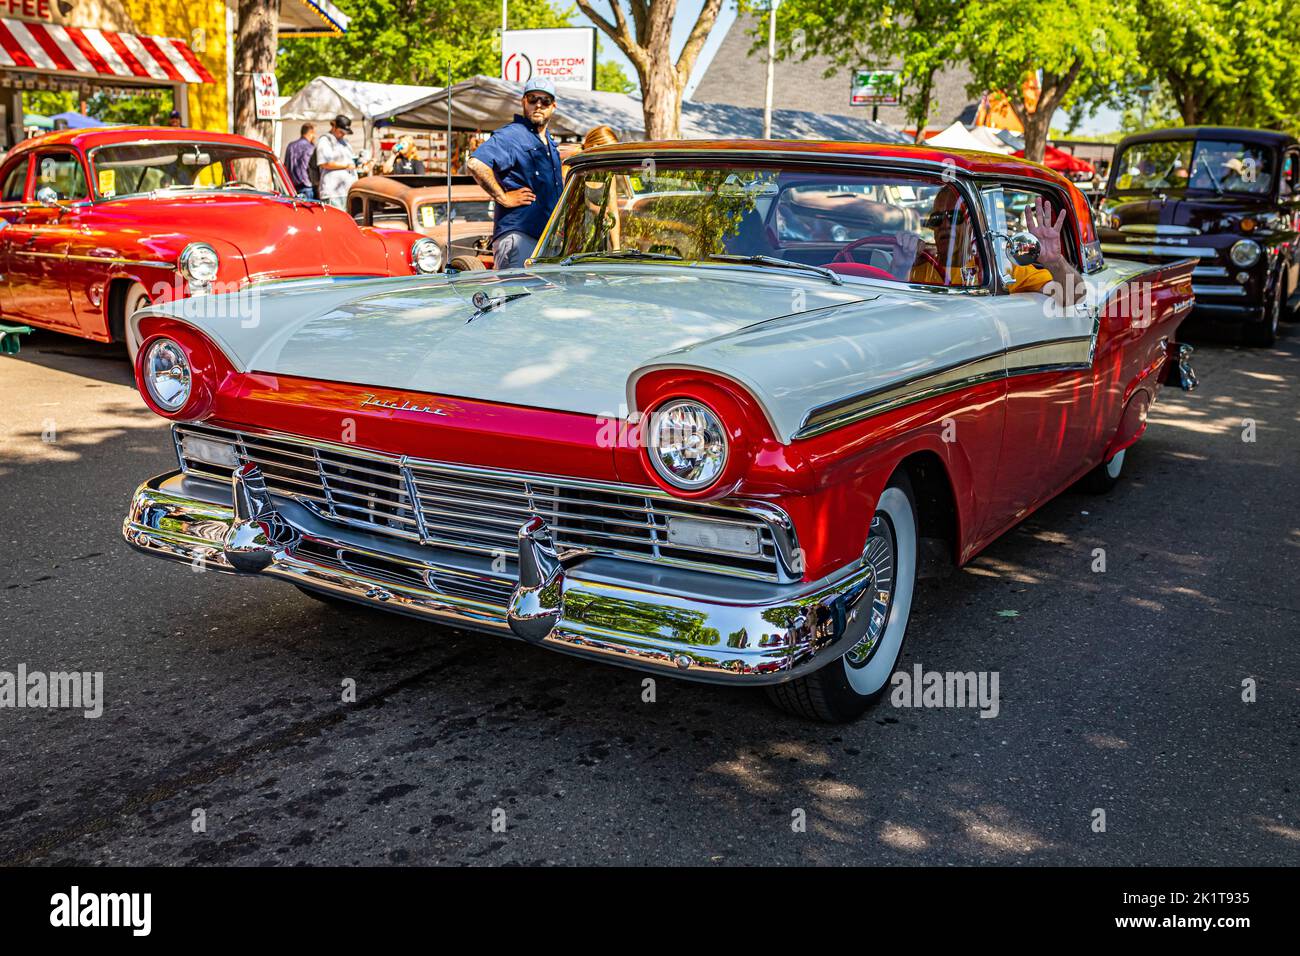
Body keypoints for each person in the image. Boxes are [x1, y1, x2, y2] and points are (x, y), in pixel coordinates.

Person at [890, 190, 1083, 305]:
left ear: (971, 225)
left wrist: (1055, 262)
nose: (945, 225)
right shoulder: (916, 267)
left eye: (955, 217)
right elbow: (890, 312)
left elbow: (1072, 296)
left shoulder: (1003, 270)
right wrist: (900, 266)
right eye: (937, 219)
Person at [466, 77, 564, 270]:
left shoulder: (549, 142)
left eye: (544, 101)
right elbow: (475, 163)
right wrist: (503, 197)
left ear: (553, 106)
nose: (538, 105)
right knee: (517, 297)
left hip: (545, 240)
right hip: (519, 236)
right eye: (532, 99)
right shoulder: (512, 135)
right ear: (523, 102)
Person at [314, 114, 358, 208]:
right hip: (333, 193)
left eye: (344, 132)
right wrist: (346, 166)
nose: (343, 134)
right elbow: (324, 163)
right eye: (340, 131)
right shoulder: (325, 140)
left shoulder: (345, 142)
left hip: (346, 191)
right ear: (334, 126)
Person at [283, 123, 317, 198]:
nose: (315, 136)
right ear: (311, 133)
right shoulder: (310, 147)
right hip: (306, 186)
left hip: (292, 186)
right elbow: (313, 167)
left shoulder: (291, 146)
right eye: (314, 134)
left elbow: (286, 165)